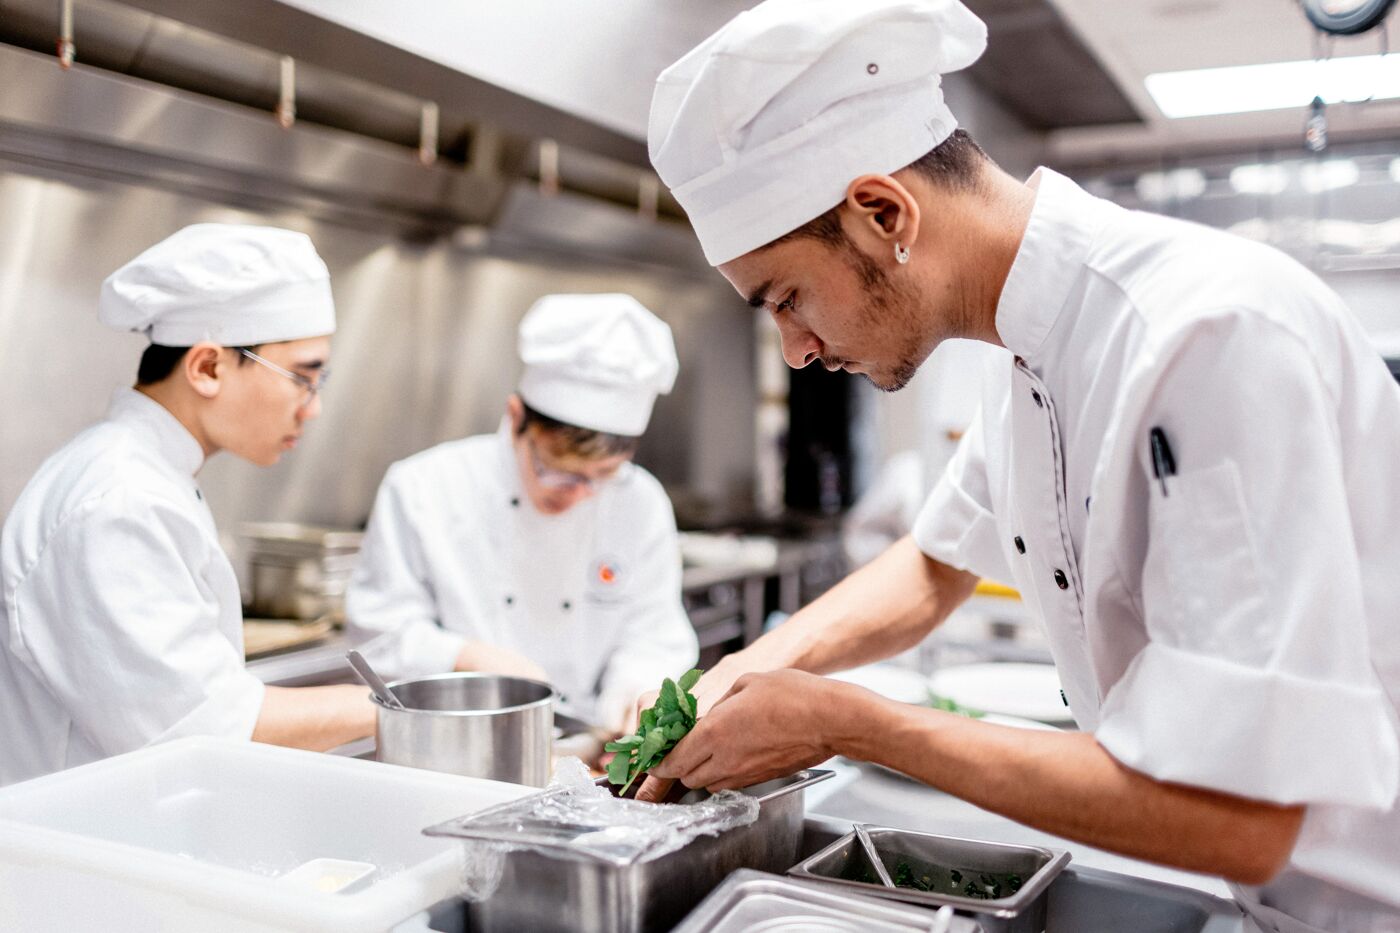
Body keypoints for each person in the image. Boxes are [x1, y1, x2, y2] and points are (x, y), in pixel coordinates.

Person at [637, 2, 1400, 930]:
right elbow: (932, 566)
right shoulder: (1027, 357)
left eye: (788, 297)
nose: (795, 349)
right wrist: (750, 671)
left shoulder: (1204, 335)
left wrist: (845, 722)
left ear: (883, 213)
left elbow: (1236, 817)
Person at [0, 224, 376, 786]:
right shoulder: (118, 502)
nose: (312, 408)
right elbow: (203, 726)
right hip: (81, 853)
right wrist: (386, 708)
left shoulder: (146, 476)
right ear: (206, 367)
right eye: (302, 378)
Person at [346, 293, 698, 732]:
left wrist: (633, 698)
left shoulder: (640, 501)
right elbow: (378, 637)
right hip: (452, 737)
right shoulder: (424, 487)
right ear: (515, 419)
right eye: (558, 473)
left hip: (584, 746)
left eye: (603, 474)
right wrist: (467, 658)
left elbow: (654, 633)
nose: (580, 494)